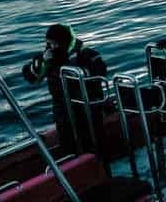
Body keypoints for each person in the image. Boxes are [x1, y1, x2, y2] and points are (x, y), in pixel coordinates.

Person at [21, 23, 107, 155]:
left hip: (87, 107)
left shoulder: (85, 54)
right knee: (68, 145)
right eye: (49, 44)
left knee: (94, 143)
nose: (52, 47)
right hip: (62, 110)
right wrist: (43, 62)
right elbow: (30, 76)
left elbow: (99, 72)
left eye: (54, 43)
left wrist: (71, 68)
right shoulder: (48, 58)